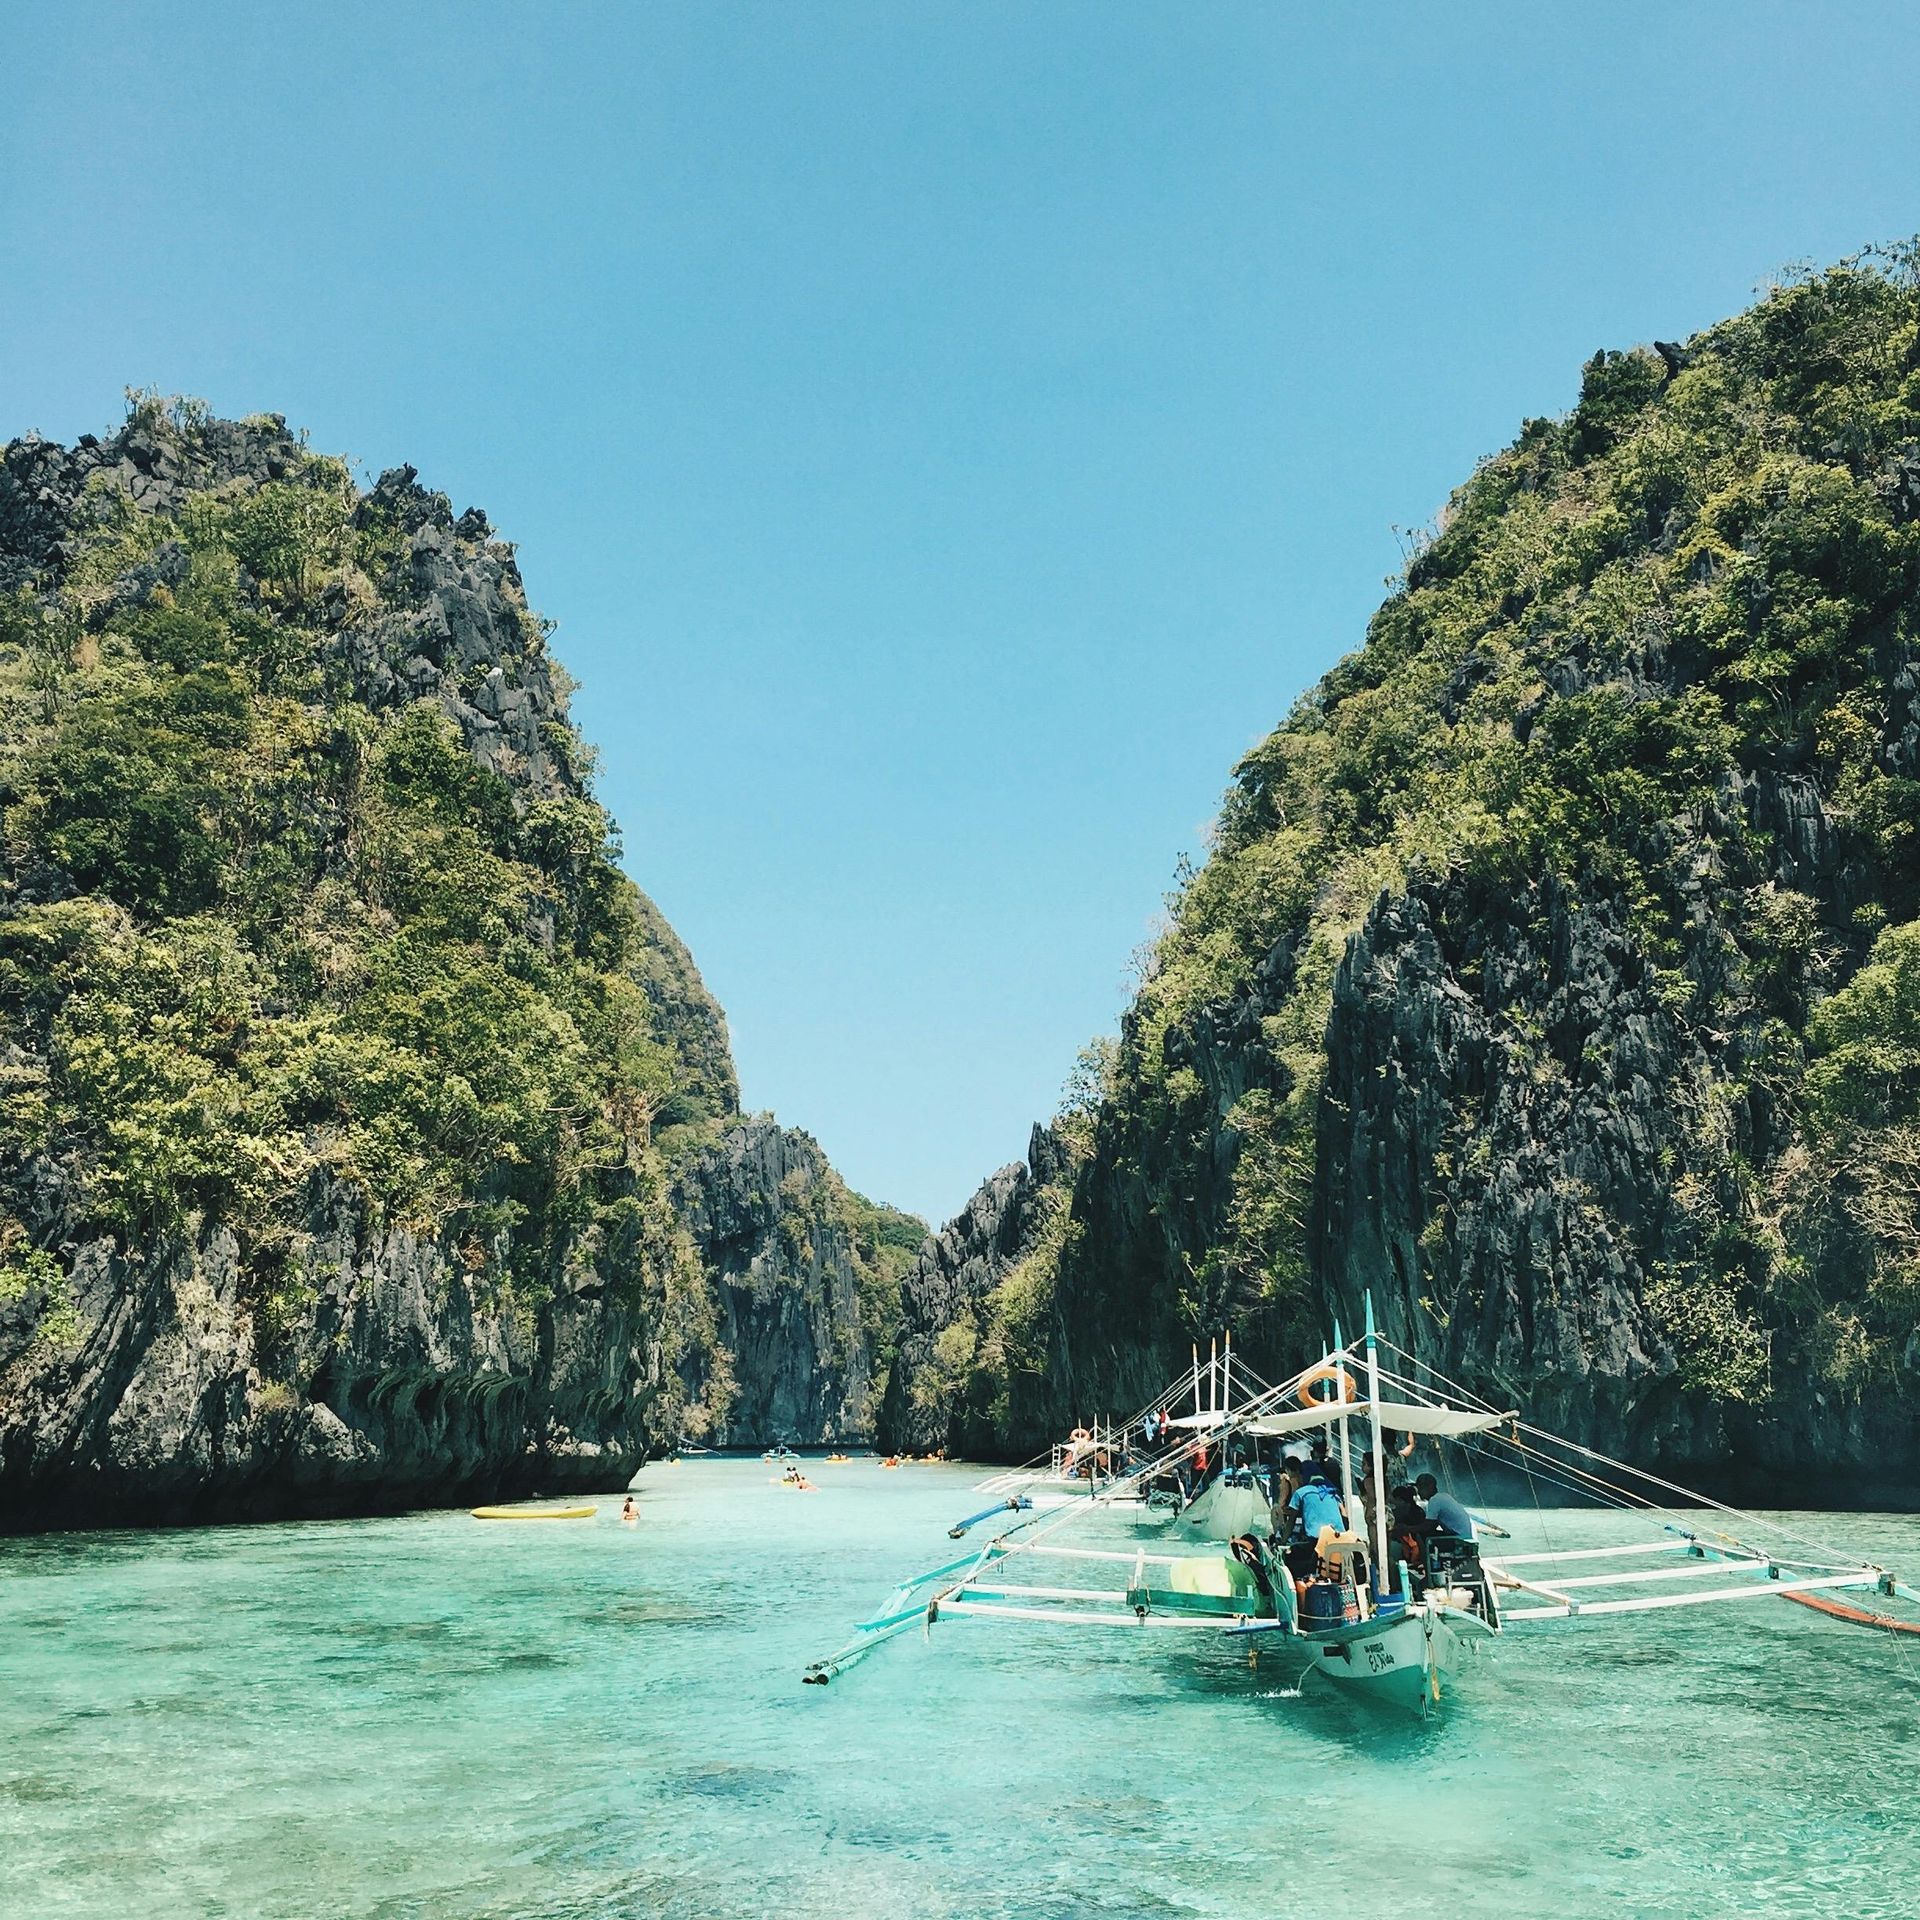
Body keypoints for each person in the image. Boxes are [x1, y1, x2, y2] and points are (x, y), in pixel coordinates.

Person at [1416, 1472, 1475, 1540]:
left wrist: (1407, 1529)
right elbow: (1433, 1524)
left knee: (1420, 1535)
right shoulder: (1444, 1496)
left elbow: (1428, 1526)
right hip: (1464, 1536)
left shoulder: (1435, 1500)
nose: (1419, 1492)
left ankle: (1422, 1551)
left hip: (1459, 1539)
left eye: (1421, 1488)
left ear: (1430, 1487)